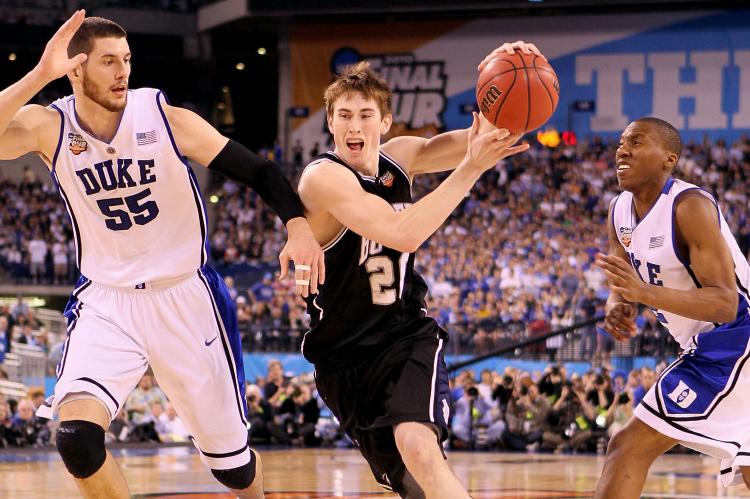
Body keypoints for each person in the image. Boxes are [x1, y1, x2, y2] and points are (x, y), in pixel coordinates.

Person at [0, 12, 324, 499]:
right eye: (108, 62)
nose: (122, 72)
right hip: (107, 301)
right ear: (75, 70)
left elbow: (259, 171)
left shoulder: (165, 120)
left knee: (233, 469)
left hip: (185, 297)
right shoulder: (50, 127)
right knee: (77, 439)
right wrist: (39, 75)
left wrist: (297, 226)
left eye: (126, 60)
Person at [296, 41, 537, 498]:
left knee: (420, 448)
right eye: (344, 115)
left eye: (366, 114)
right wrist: (469, 170)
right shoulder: (322, 177)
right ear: (330, 122)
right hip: (341, 358)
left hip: (404, 335)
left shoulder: (401, 157)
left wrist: (503, 72)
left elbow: (483, 137)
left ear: (384, 123)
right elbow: (402, 233)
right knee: (410, 483)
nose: (354, 124)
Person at [593, 117, 750, 497]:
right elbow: (623, 281)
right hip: (709, 347)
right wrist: (619, 304)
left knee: (627, 447)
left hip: (736, 340)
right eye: (620, 143)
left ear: (669, 159)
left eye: (636, 142)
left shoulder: (689, 206)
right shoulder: (619, 211)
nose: (622, 150)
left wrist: (641, 293)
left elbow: (725, 304)